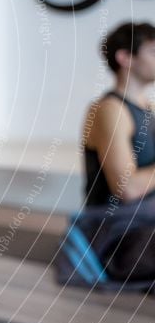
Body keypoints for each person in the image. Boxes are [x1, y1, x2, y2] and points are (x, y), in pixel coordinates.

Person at [57, 22, 155, 290]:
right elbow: (127, 188)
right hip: (116, 234)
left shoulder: (148, 108)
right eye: (152, 50)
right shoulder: (108, 110)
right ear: (126, 58)